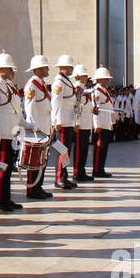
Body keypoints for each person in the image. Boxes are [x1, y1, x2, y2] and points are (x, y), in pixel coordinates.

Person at [0, 52, 23, 212]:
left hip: (12, 132)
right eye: (10, 69)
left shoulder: (9, 85)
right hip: (2, 133)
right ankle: (0, 200)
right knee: (2, 169)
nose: (13, 72)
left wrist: (27, 124)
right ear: (2, 69)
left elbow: (16, 110)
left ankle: (6, 198)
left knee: (8, 169)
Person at [23, 54, 53, 200]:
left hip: (45, 124)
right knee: (34, 160)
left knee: (43, 159)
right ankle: (32, 189)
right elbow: (29, 108)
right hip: (38, 126)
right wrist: (34, 127)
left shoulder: (41, 84)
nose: (48, 69)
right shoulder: (32, 85)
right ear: (38, 69)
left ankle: (38, 186)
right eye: (45, 67)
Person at [50, 55, 79, 190]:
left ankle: (64, 177)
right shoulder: (59, 82)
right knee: (62, 150)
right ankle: (59, 178)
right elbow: (56, 101)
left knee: (66, 150)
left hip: (68, 120)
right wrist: (57, 120)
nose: (72, 69)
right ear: (64, 67)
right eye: (70, 67)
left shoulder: (66, 80)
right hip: (62, 120)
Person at [89, 67, 116, 177]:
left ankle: (101, 169)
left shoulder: (104, 90)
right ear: (100, 79)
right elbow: (95, 109)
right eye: (105, 79)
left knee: (104, 147)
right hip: (101, 123)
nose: (108, 81)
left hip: (106, 122)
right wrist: (97, 124)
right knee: (100, 147)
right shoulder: (97, 91)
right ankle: (97, 170)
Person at [72, 65, 95, 183]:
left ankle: (82, 171)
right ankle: (77, 172)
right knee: (80, 149)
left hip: (86, 123)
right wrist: (77, 122)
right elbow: (78, 106)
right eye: (83, 75)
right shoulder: (77, 89)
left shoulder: (83, 89)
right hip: (80, 124)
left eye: (86, 75)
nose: (86, 77)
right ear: (77, 77)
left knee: (85, 149)